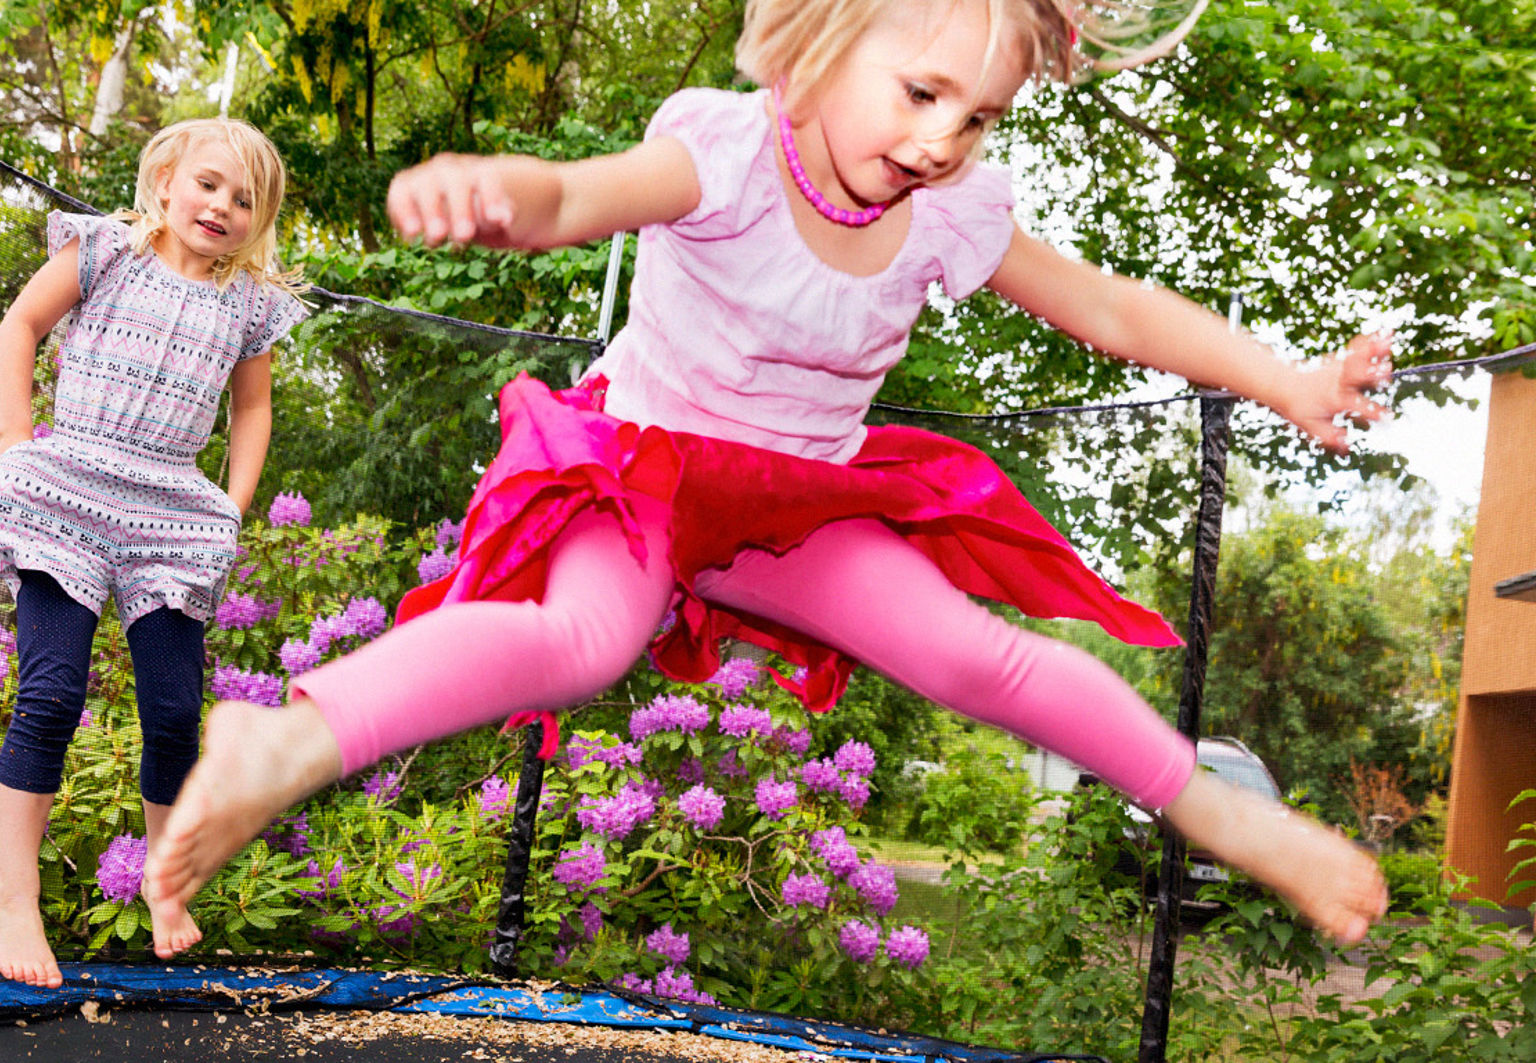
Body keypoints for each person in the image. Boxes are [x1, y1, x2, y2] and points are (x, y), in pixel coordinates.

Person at [147, 0, 1389, 959]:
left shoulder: (955, 215)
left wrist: (1285, 378)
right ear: (823, 38)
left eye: (982, 117)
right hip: (643, 468)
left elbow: (1112, 309)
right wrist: (502, 200)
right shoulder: (725, 154)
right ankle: (292, 736)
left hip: (797, 506)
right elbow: (580, 195)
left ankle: (1219, 812)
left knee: (973, 655)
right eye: (920, 92)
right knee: (583, 640)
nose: (940, 139)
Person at [0, 118, 307, 988]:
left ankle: (165, 885)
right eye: (209, 184)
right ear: (166, 179)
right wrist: (15, 441)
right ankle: (12, 901)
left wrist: (231, 506)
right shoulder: (105, 249)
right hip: (69, 487)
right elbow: (20, 321)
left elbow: (252, 412)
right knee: (52, 692)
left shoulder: (247, 304)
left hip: (171, 508)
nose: (222, 206)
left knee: (174, 712)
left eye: (244, 199)